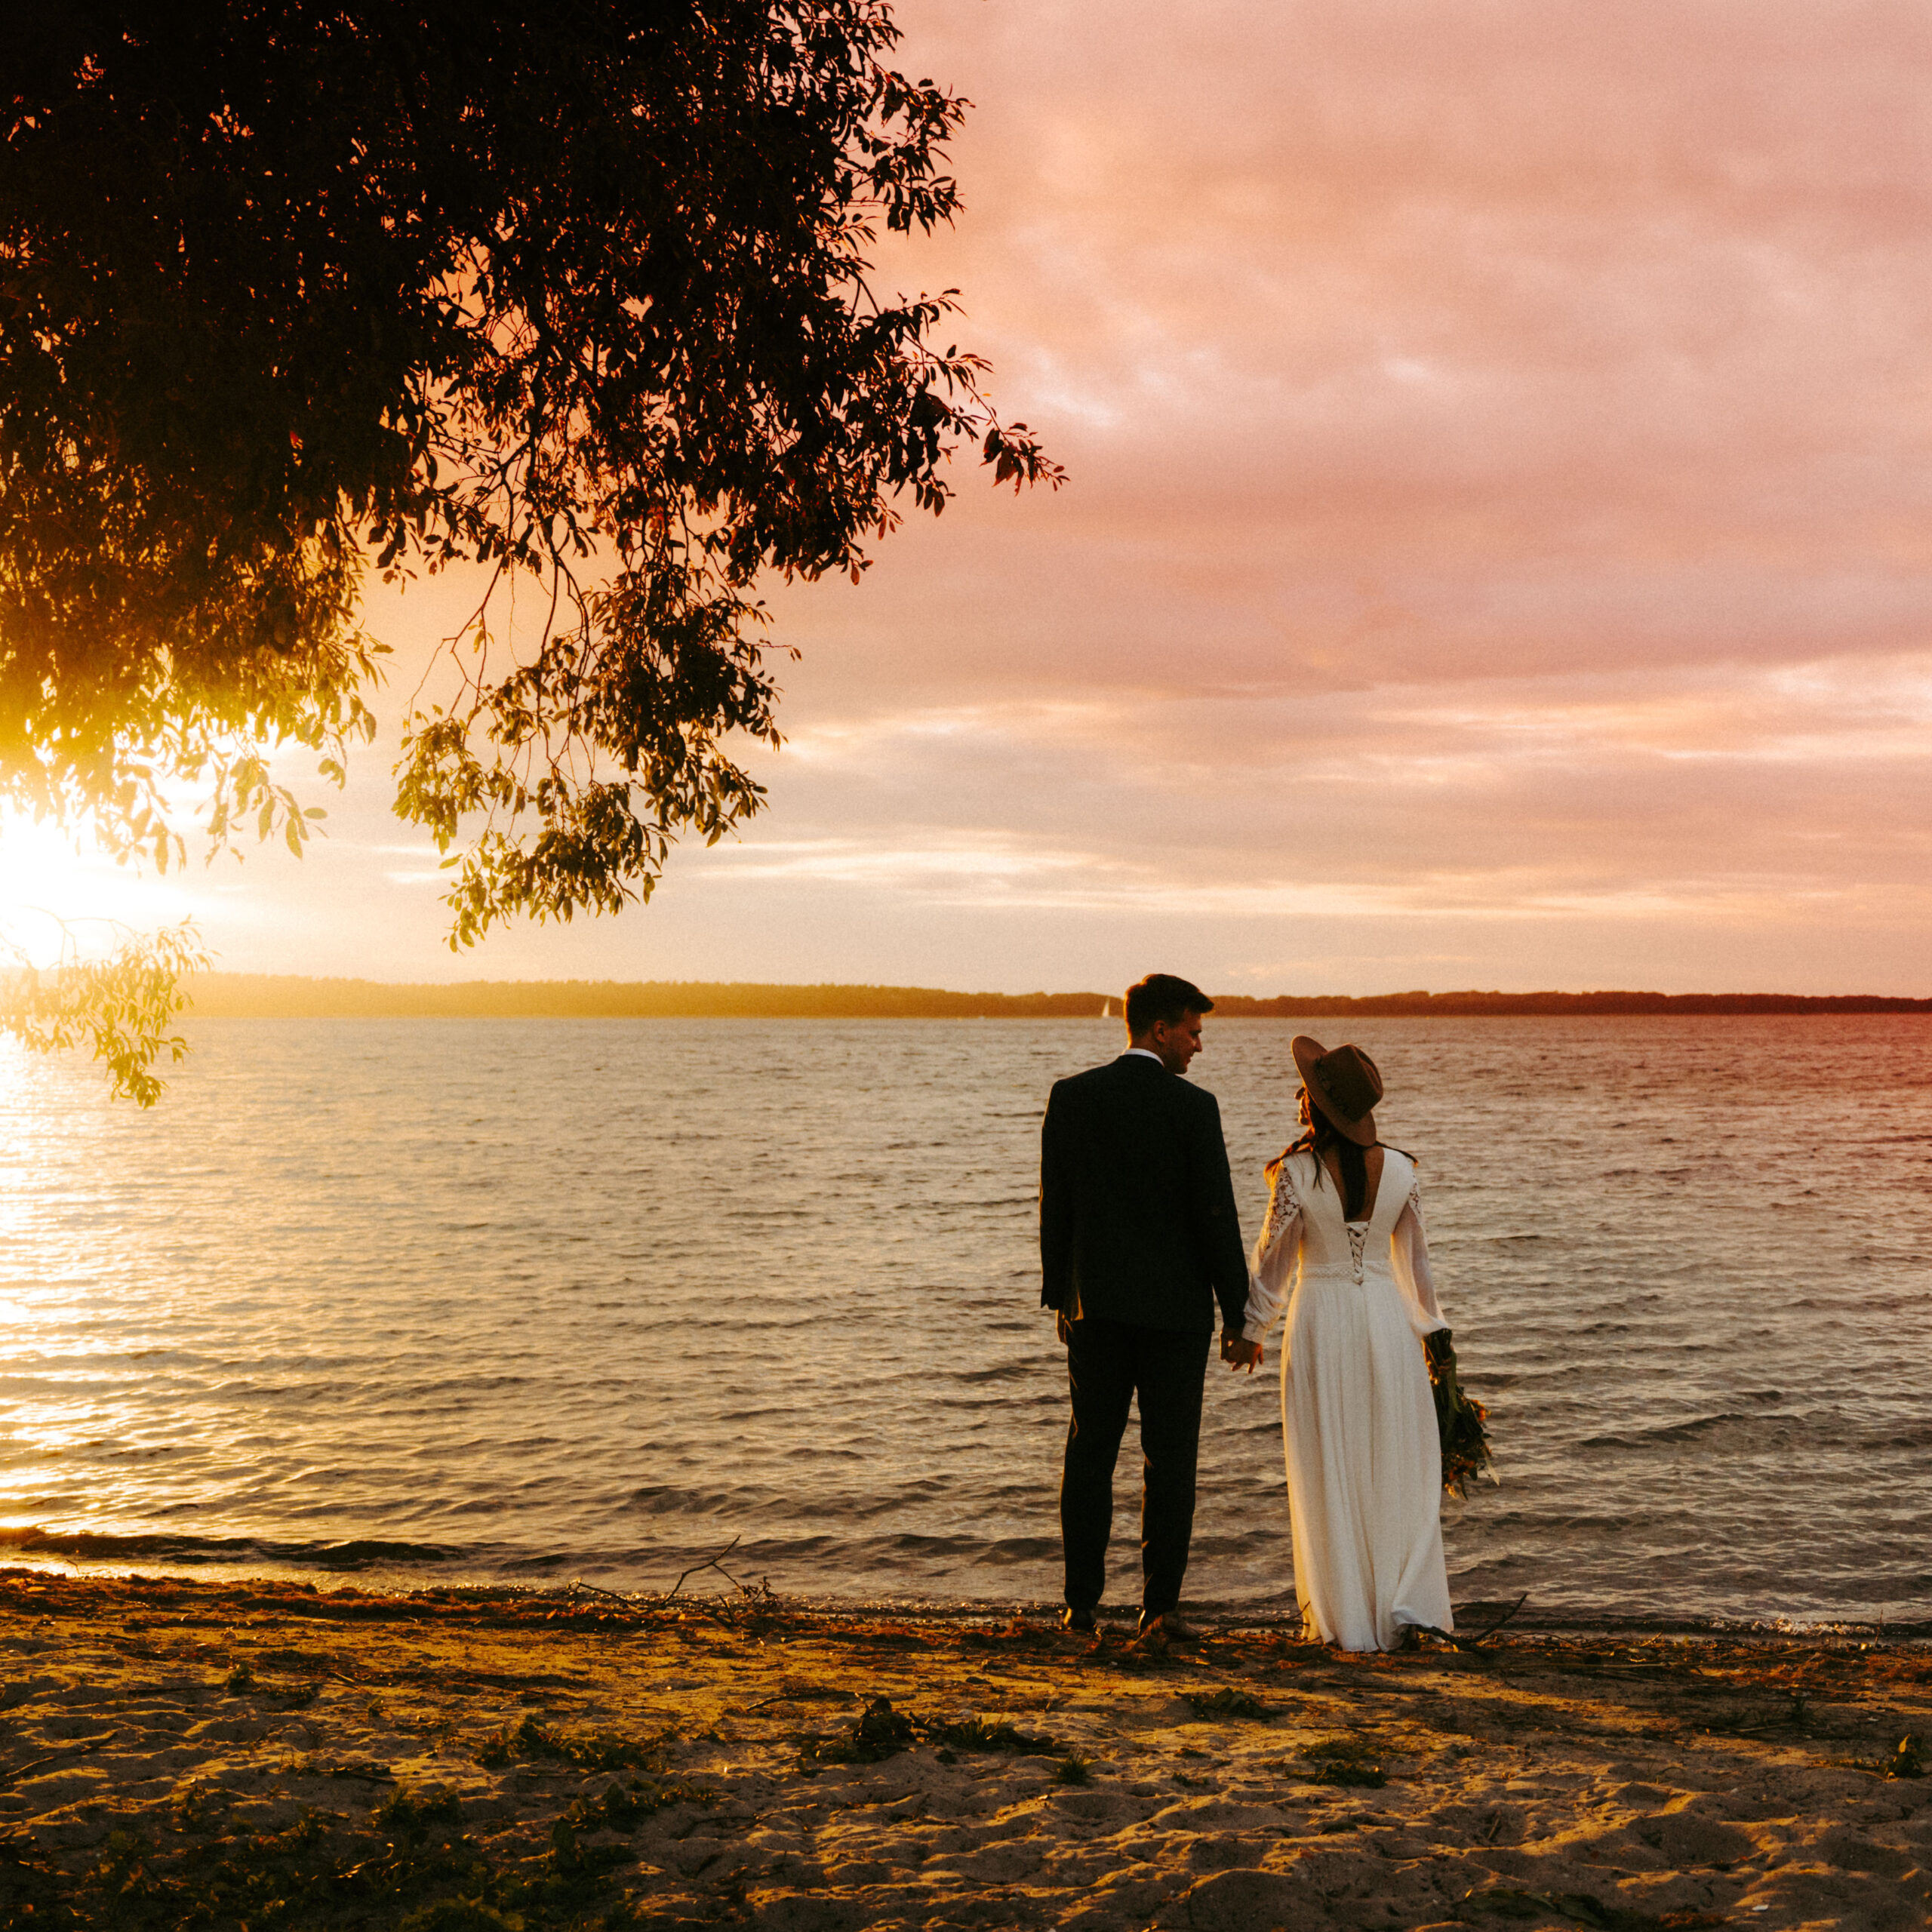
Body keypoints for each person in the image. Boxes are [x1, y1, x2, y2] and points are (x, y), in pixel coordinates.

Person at [1223, 1035, 1454, 1651]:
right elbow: (1419, 1269)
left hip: (1322, 1319)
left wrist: (1251, 1332)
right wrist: (1432, 1336)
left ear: (1317, 1105)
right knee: (1391, 1461)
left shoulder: (1296, 1173)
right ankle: (1401, 1609)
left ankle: (1346, 1617)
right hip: (1387, 1320)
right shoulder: (1401, 1170)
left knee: (1329, 1460)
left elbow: (1271, 1264)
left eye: (1305, 1090)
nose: (1298, 1097)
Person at [1038, 973, 1250, 1641]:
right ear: (1160, 1030)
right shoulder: (1194, 1108)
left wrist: (1060, 1296)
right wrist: (1237, 1312)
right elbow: (1215, 1215)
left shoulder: (1072, 1096)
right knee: (1170, 1460)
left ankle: (1080, 1607)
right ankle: (1159, 1609)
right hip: (1175, 1315)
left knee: (1090, 1452)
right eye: (1193, 1031)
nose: (1198, 1045)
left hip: (1094, 1307)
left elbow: (1055, 1205)